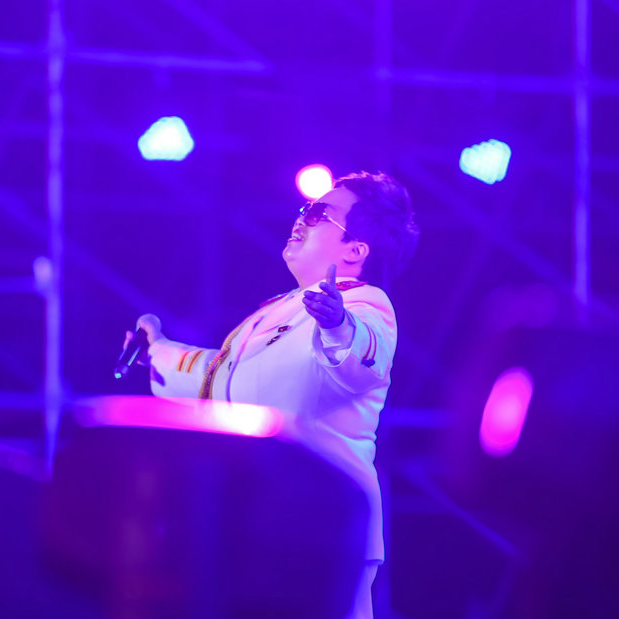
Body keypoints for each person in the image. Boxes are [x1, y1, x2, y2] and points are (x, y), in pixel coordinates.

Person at [127, 171, 418, 618]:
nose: (302, 218)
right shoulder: (281, 309)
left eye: (319, 213)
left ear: (355, 250)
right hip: (261, 522)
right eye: (305, 208)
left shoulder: (366, 303)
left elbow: (364, 356)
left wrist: (339, 325)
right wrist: (158, 353)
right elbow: (224, 377)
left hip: (320, 526)